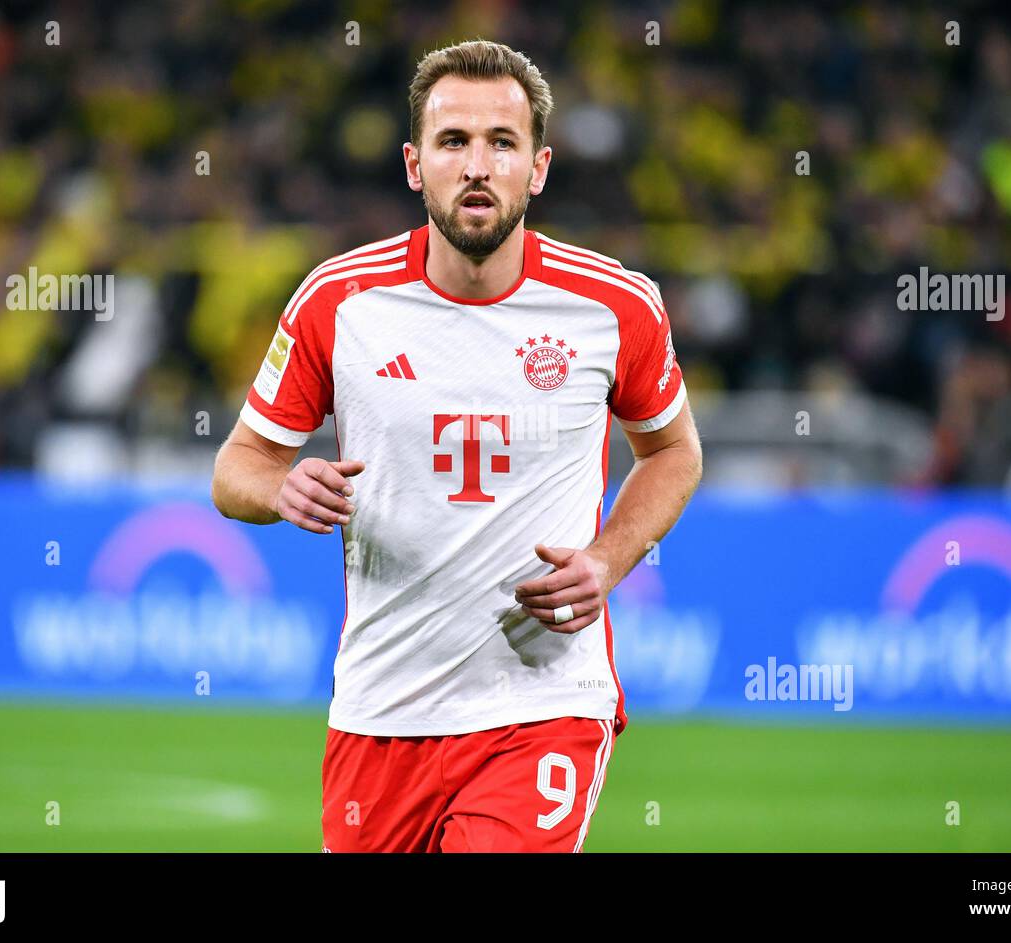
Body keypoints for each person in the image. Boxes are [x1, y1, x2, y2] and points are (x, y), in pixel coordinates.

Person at [212, 40, 702, 852]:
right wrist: (280, 489)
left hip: (543, 700)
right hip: (381, 707)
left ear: (538, 168)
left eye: (502, 143)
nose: (478, 165)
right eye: (454, 142)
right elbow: (236, 468)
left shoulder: (614, 306)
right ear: (414, 164)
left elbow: (674, 450)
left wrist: (609, 561)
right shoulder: (340, 301)